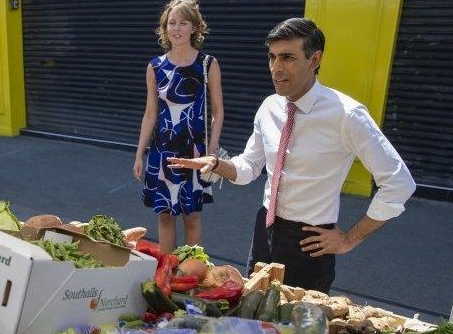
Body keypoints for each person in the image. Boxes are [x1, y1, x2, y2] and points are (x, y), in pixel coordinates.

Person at [167, 18, 416, 293]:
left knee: (298, 329)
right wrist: (217, 164)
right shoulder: (270, 106)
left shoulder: (347, 115)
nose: (276, 68)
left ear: (314, 60)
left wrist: (347, 239)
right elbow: (249, 166)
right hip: (265, 228)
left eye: (287, 58)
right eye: (272, 57)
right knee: (253, 313)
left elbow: (399, 183)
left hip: (310, 242)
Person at [133, 0, 224, 254]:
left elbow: (218, 110)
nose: (176, 28)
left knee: (192, 215)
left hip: (195, 153)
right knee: (164, 214)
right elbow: (150, 113)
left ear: (194, 27)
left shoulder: (208, 64)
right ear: (165, 28)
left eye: (183, 22)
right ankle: (167, 271)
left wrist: (213, 148)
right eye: (171, 22)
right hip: (162, 152)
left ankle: (191, 271)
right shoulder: (155, 66)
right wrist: (140, 153)